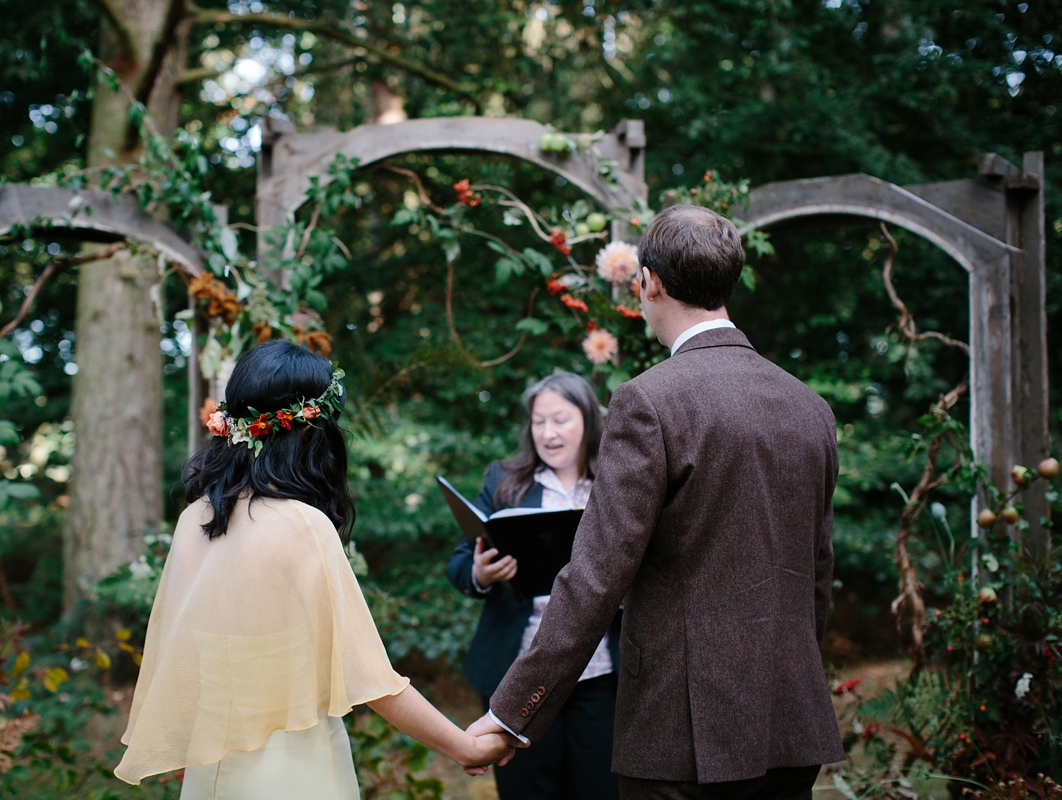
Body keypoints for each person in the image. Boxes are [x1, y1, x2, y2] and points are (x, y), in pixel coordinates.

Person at [468, 205, 845, 800]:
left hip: (681, 733)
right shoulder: (809, 407)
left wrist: (514, 710)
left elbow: (597, 574)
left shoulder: (647, 401)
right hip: (790, 718)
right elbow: (817, 574)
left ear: (650, 282)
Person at [115, 340, 515, 799]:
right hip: (295, 774)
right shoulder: (304, 525)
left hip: (212, 775)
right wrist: (463, 746)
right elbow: (372, 680)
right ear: (313, 432)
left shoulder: (197, 520)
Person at [447, 372, 620, 800]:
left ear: (588, 421)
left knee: (601, 788)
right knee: (528, 790)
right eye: (538, 422)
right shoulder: (505, 481)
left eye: (560, 420)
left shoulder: (616, 483)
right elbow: (459, 563)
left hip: (601, 673)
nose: (548, 433)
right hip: (520, 675)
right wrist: (481, 573)